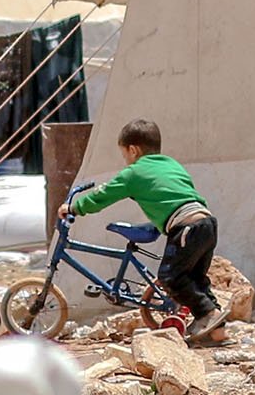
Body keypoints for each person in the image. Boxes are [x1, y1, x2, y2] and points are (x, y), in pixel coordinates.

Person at [57, 119, 228, 339]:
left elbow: (103, 196)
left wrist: (74, 207)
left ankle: (208, 313)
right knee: (195, 279)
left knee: (169, 277)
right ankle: (219, 331)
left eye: (124, 155)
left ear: (133, 150)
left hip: (185, 227)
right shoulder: (171, 164)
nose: (126, 162)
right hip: (207, 223)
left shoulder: (134, 173)